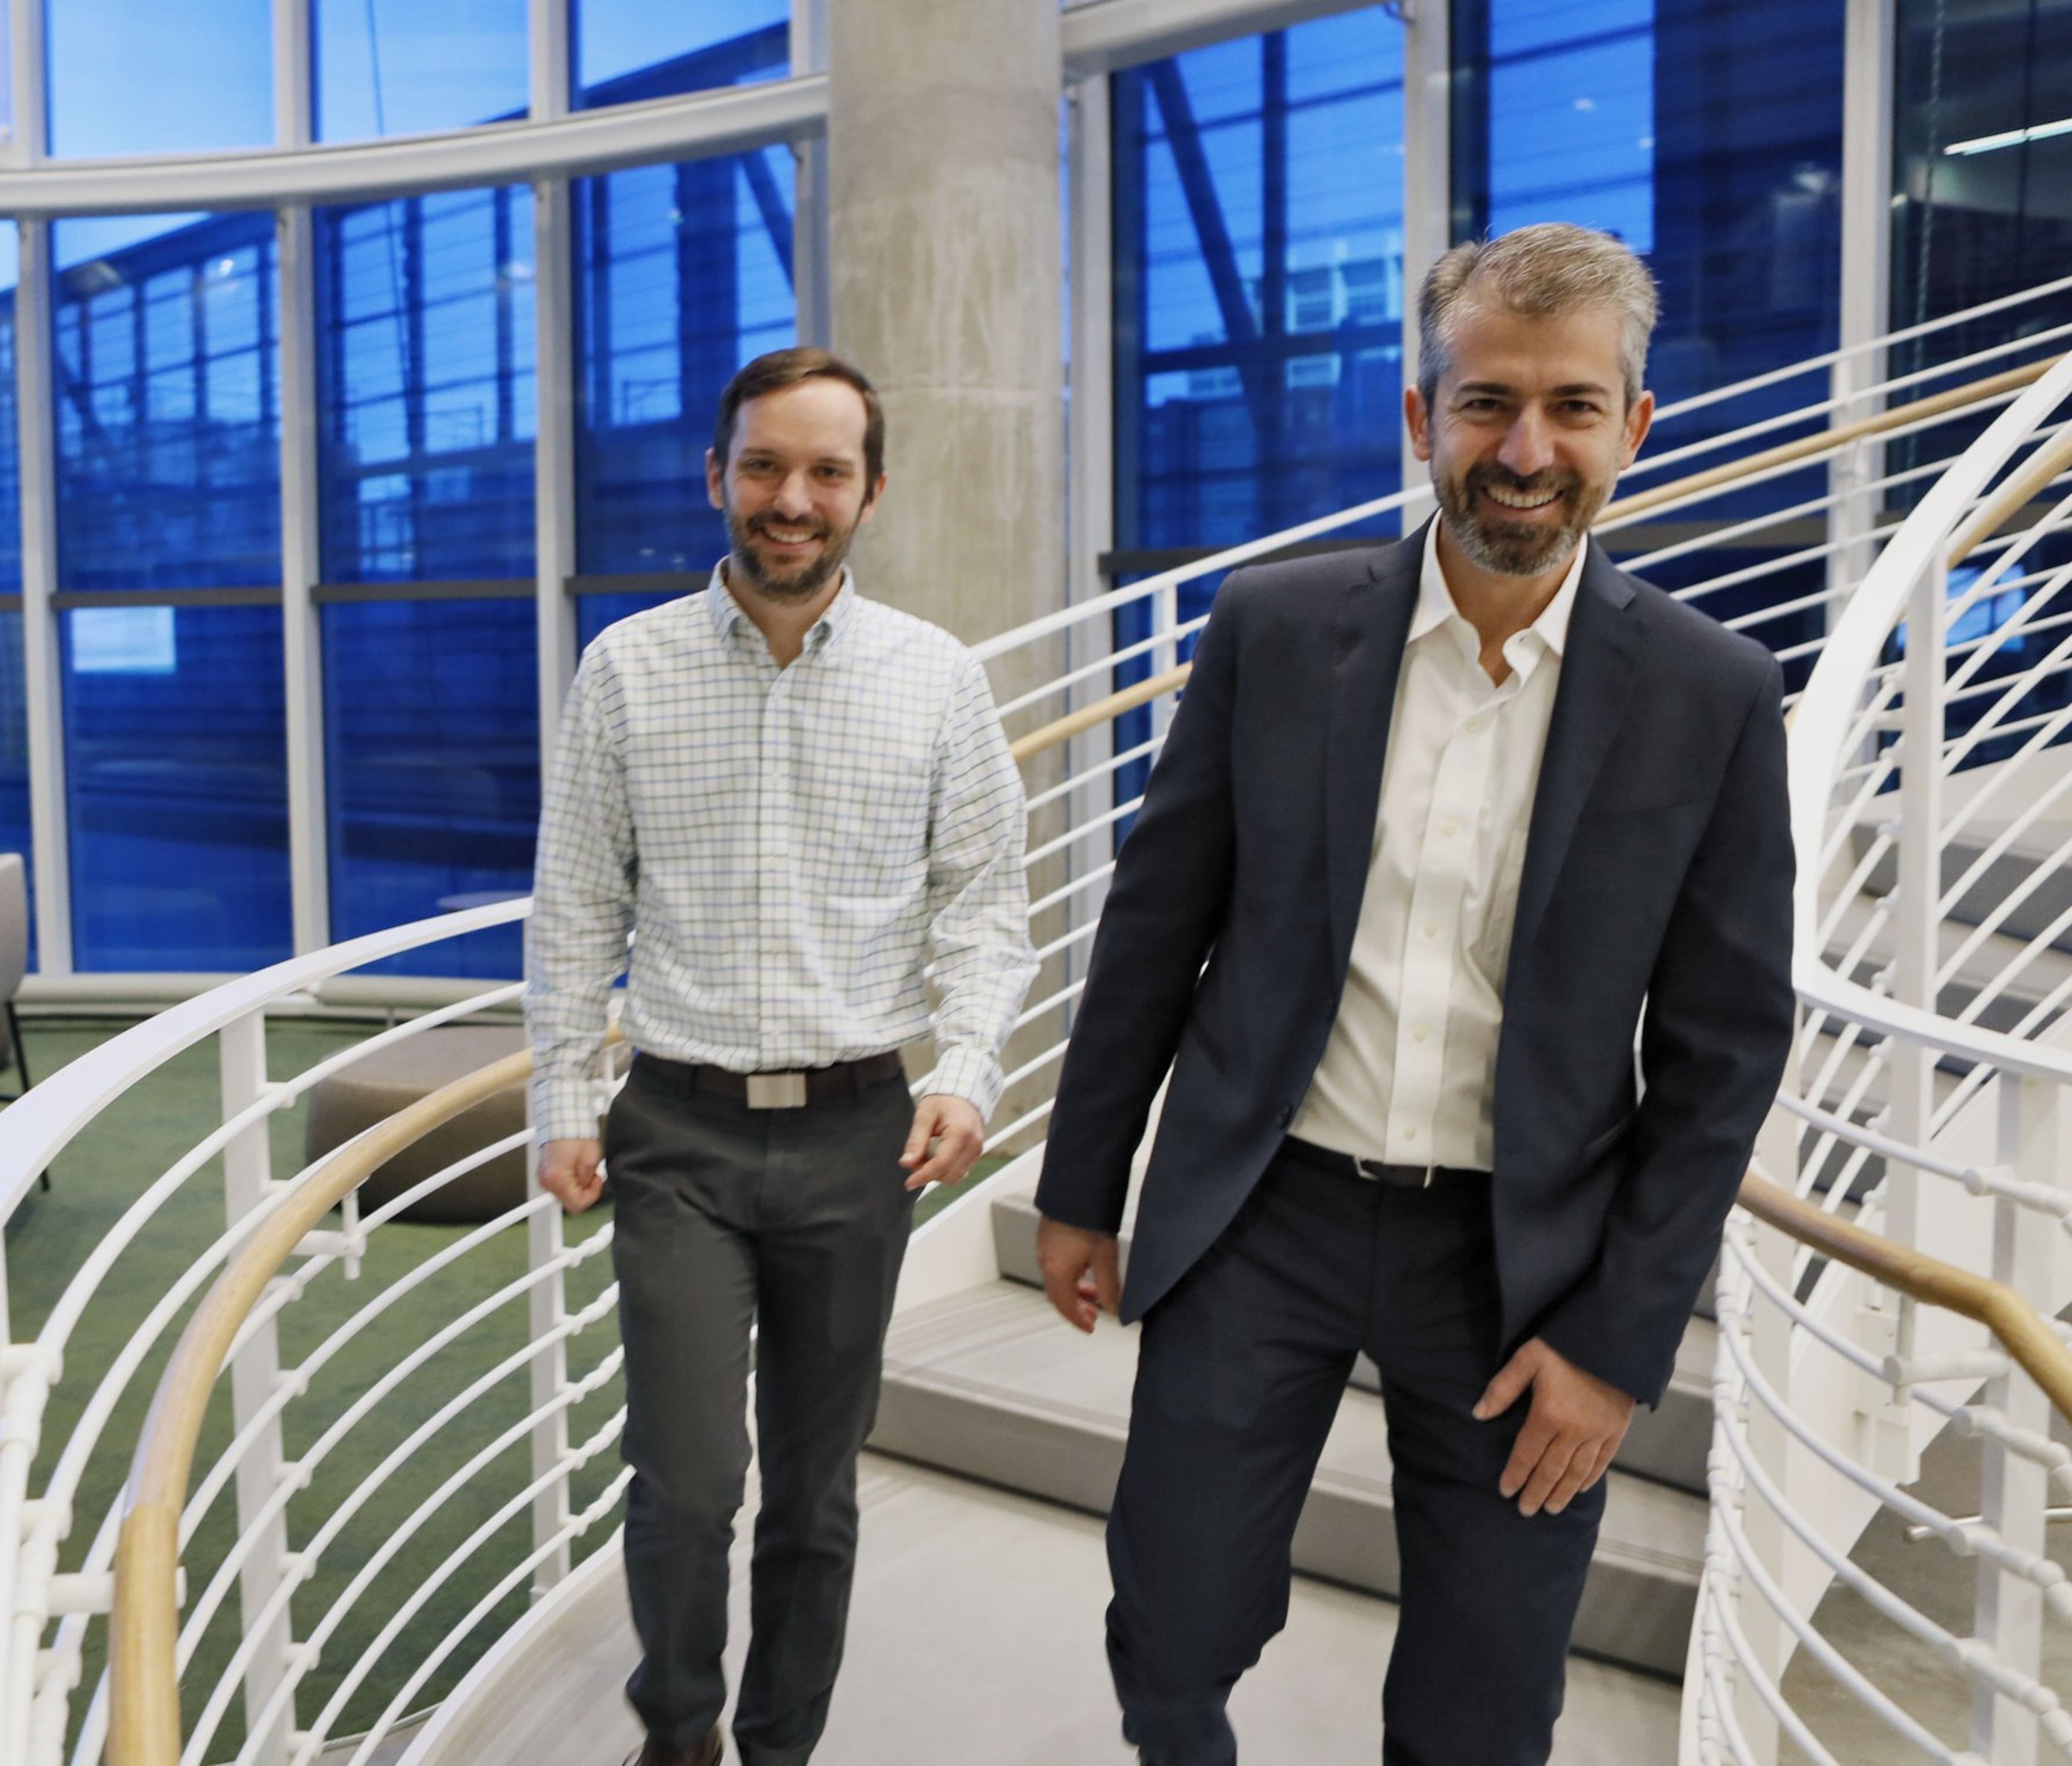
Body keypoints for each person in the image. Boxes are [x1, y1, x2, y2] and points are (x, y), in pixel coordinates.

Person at [1032, 224, 1795, 1766]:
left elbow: (1724, 1052)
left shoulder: (1713, 694)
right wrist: (1081, 1181)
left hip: (1524, 1270)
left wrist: (1620, 1340)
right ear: (1419, 416)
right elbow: (1155, 926)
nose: (1526, 450)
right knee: (1170, 1627)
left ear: (1634, 426)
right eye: (1486, 402)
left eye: (1574, 407)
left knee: (1486, 1700)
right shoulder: (1275, 628)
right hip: (1267, 1211)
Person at [524, 346, 1039, 1766]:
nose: (791, 498)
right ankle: (677, 1738)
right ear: (718, 478)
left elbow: (989, 911)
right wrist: (566, 1095)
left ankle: (781, 1745)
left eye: (825, 470)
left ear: (871, 490)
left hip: (855, 1137)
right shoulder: (624, 669)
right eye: (765, 466)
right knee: (686, 1482)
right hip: (674, 1134)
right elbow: (576, 905)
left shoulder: (935, 679)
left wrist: (969, 1069)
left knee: (815, 1492)